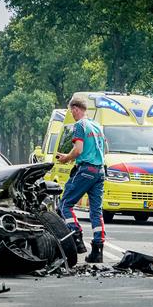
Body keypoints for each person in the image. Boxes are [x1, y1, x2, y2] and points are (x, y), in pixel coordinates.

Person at [56, 97, 106, 263]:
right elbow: (103, 148)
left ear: (76, 109)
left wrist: (66, 159)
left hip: (86, 169)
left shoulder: (79, 125)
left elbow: (78, 150)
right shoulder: (97, 125)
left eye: (72, 110)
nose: (72, 114)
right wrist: (71, 156)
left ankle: (76, 237)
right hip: (100, 171)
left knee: (65, 204)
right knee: (96, 211)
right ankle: (98, 251)